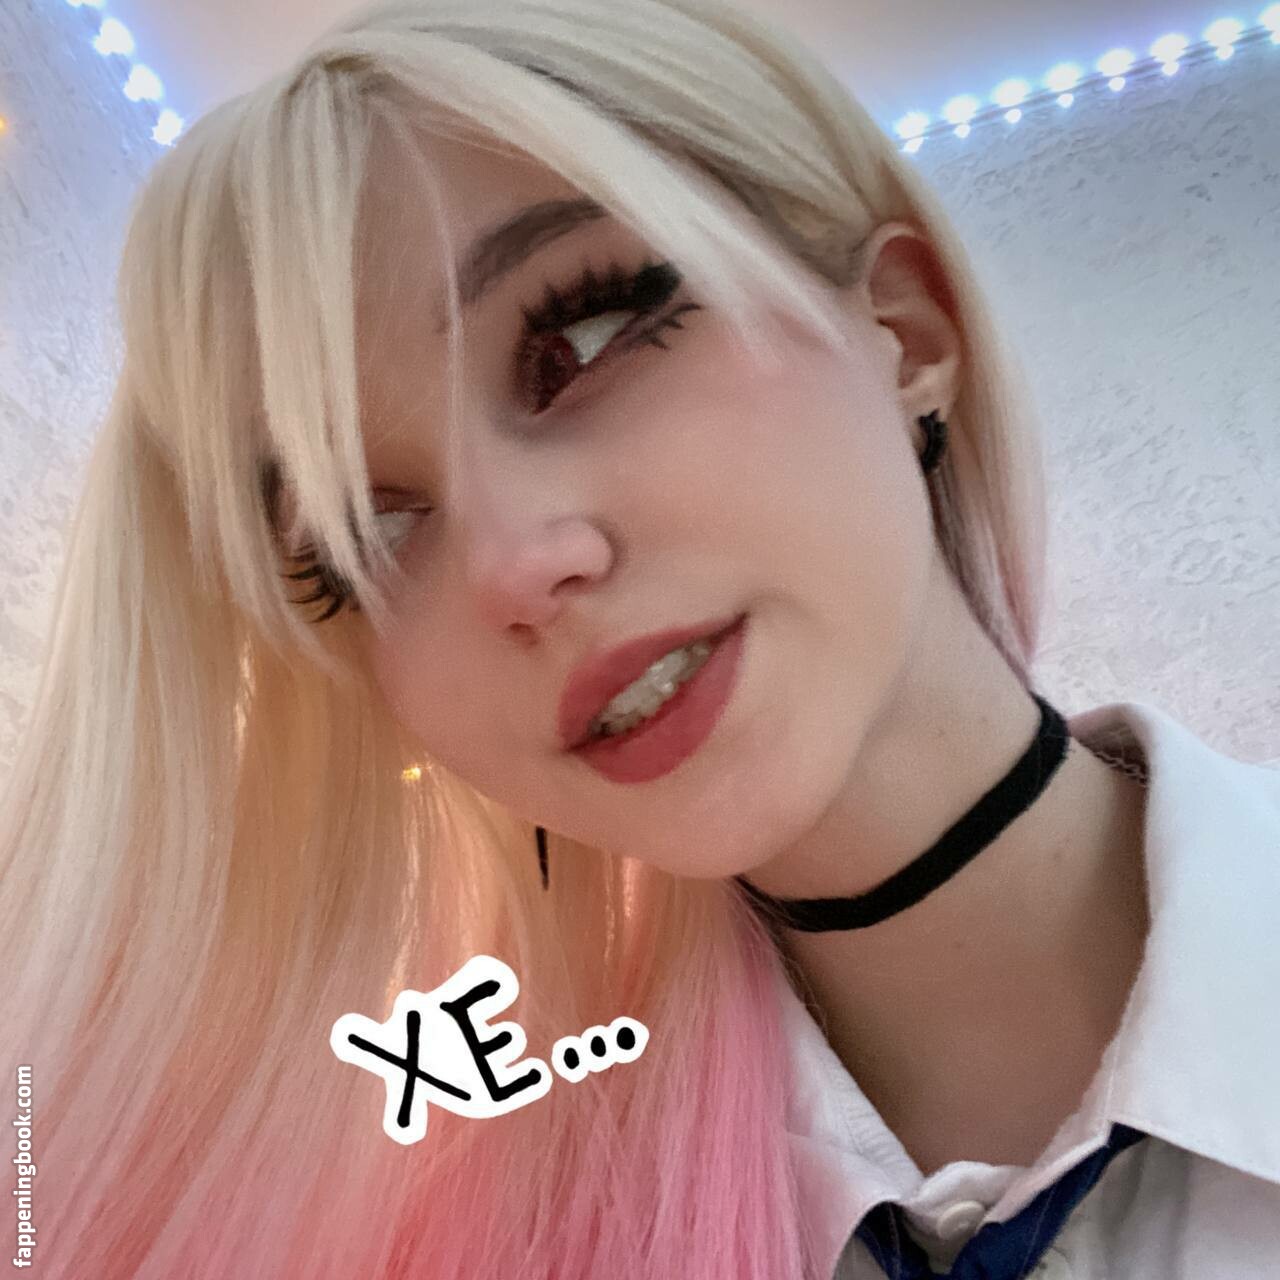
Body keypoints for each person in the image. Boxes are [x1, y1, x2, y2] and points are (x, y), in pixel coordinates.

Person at [1, 0, 1277, 1276]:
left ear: (904, 330)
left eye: (582, 338)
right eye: (362, 536)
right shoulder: (501, 1232)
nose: (511, 567)